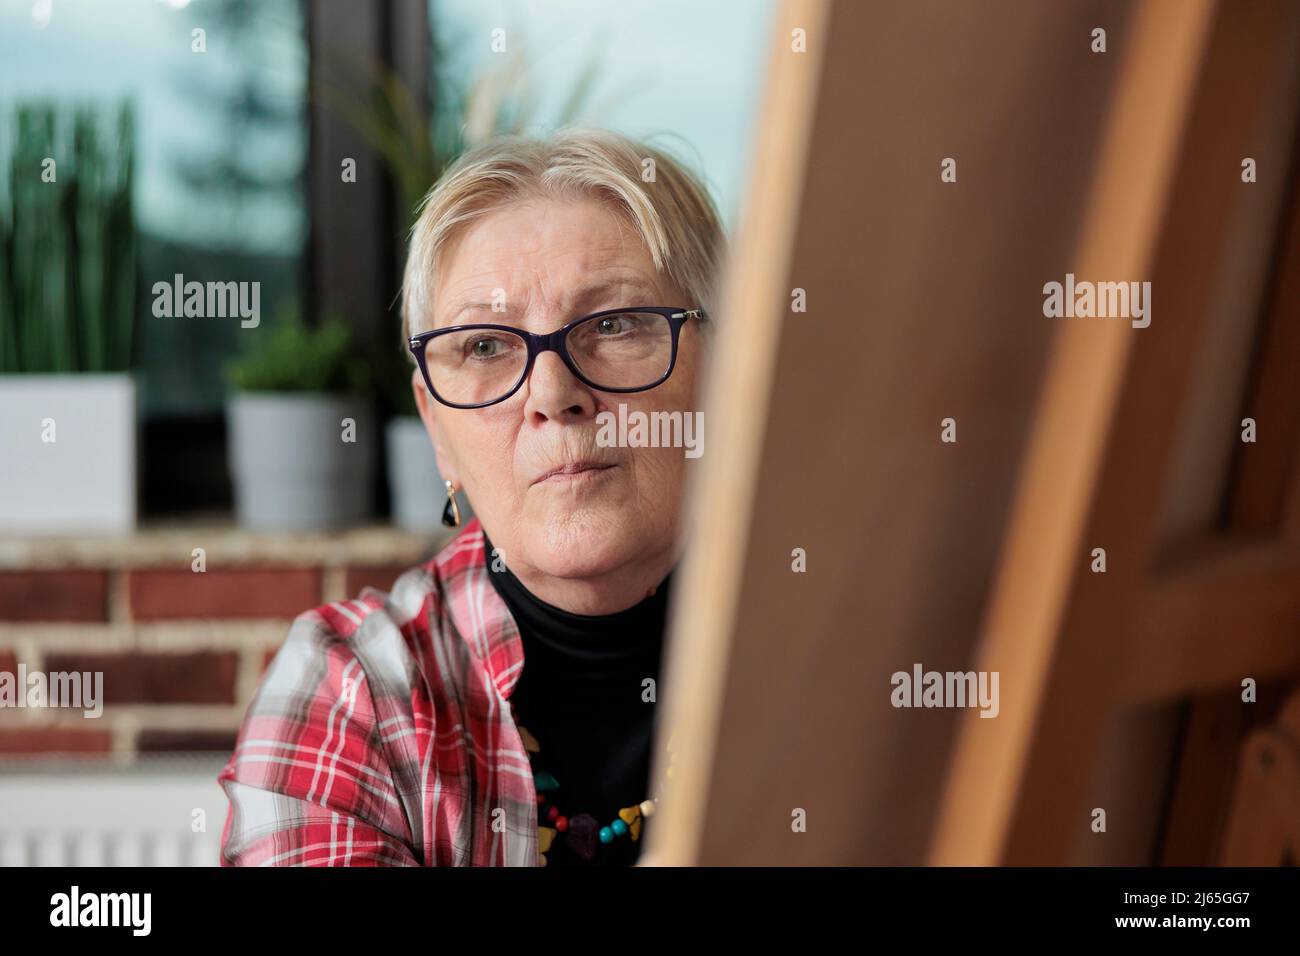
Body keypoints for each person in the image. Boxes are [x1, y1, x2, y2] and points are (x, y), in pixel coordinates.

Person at [217, 128, 726, 866]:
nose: (554, 395)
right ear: (437, 430)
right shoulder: (351, 691)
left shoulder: (848, 649)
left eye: (614, 323)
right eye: (485, 346)